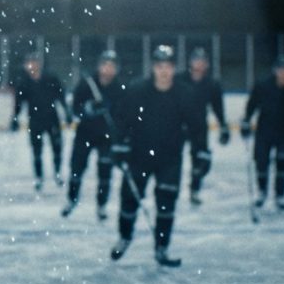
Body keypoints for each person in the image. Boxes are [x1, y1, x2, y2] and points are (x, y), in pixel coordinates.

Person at [109, 45, 188, 267]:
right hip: (139, 157)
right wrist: (119, 147)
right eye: (159, 66)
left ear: (174, 68)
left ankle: (162, 247)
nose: (164, 71)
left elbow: (196, 125)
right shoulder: (136, 91)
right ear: (153, 67)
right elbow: (121, 120)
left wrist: (201, 153)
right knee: (129, 200)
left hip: (170, 159)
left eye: (168, 66)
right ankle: (125, 237)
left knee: (166, 205)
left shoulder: (184, 93)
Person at [62, 50, 125, 220]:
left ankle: (101, 205)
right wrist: (88, 109)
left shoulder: (119, 89)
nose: (108, 69)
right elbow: (75, 109)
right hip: (85, 134)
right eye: (105, 65)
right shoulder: (87, 84)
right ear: (99, 66)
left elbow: (123, 116)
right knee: (76, 168)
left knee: (105, 172)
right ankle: (72, 199)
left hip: (107, 137)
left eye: (112, 66)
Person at [239, 55, 284, 211]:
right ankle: (262, 193)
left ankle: (280, 195)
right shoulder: (262, 86)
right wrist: (246, 121)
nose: (283, 73)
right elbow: (251, 105)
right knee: (261, 163)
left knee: (283, 163)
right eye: (281, 69)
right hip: (264, 132)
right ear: (275, 70)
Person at [10, 53, 70, 191]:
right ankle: (39, 177)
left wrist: (67, 113)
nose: (32, 66)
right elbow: (19, 102)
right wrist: (15, 118)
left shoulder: (51, 78)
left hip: (52, 118)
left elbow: (60, 96)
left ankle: (57, 173)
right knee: (37, 150)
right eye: (29, 63)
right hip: (35, 120)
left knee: (57, 147)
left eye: (34, 62)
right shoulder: (24, 82)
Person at [177, 47, 230, 206]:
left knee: (201, 161)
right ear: (190, 62)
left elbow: (218, 108)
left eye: (202, 61)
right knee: (171, 159)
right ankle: (169, 188)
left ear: (207, 64)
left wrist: (223, 126)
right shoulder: (178, 80)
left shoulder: (212, 84)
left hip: (199, 127)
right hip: (177, 126)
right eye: (196, 60)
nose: (199, 64)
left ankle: (195, 190)